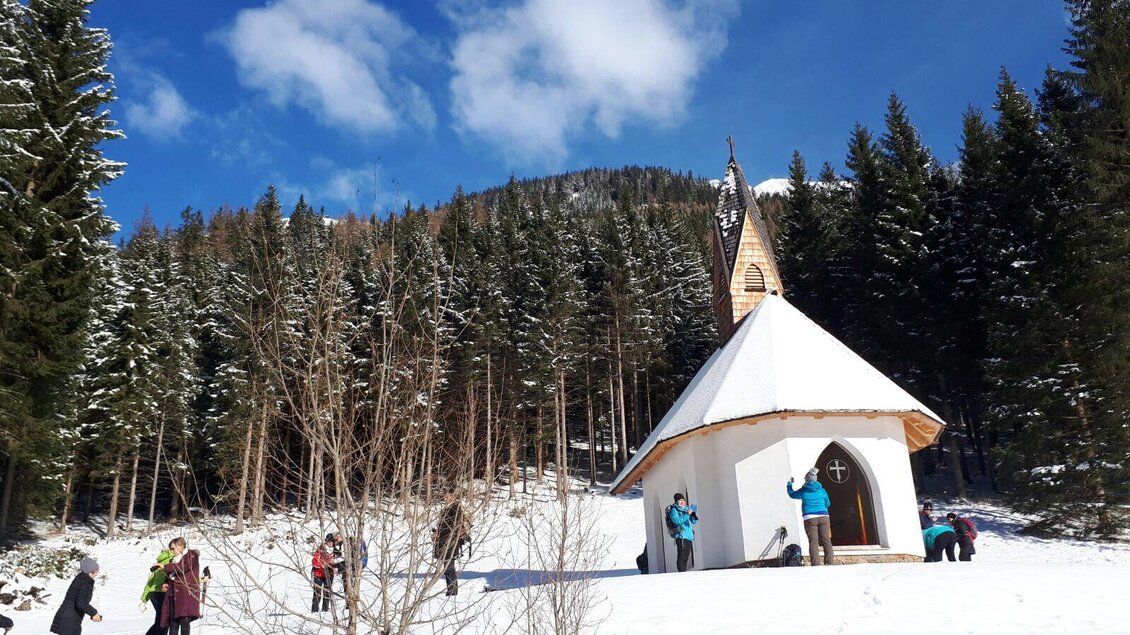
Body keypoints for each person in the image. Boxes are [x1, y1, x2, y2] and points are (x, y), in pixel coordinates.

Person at [155, 537, 206, 635]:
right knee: (173, 624)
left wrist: (164, 567)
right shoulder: (174, 560)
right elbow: (171, 574)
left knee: (184, 622)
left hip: (186, 594)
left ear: (181, 546)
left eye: (173, 548)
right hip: (173, 595)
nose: (171, 551)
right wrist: (165, 583)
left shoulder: (192, 555)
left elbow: (183, 567)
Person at [787, 468, 834, 566]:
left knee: (813, 541)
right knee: (826, 540)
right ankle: (829, 562)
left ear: (807, 480)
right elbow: (828, 504)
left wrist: (789, 485)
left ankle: (816, 563)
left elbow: (792, 494)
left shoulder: (803, 491)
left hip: (809, 518)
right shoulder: (822, 490)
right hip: (824, 516)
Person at [49, 557, 103, 634]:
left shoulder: (82, 579)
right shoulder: (85, 583)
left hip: (68, 619)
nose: (96, 574)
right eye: (96, 571)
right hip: (69, 621)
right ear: (91, 572)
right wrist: (94, 613)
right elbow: (81, 603)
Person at [433, 490, 471, 596]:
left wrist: (443, 533)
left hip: (451, 542)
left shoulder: (455, 508)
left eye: (448, 497)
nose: (445, 499)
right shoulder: (447, 508)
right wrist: (437, 533)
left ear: (453, 497)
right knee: (447, 566)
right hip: (444, 541)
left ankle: (452, 591)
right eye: (444, 497)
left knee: (449, 566)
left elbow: (456, 525)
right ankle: (451, 590)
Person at [141, 544, 174, 635]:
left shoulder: (161, 560)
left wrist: (145, 596)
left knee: (161, 620)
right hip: (161, 593)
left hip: (154, 593)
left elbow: (150, 580)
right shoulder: (171, 561)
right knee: (163, 621)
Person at [667, 493, 698, 572]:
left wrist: (693, 515)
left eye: (683, 500)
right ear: (676, 502)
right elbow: (677, 521)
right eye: (680, 500)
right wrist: (687, 514)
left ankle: (683, 572)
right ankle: (681, 573)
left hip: (689, 536)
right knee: (682, 556)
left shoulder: (687, 510)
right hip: (681, 535)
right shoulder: (674, 510)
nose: (682, 502)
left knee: (686, 556)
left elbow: (694, 522)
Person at [311, 533, 337, 612]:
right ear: (326, 541)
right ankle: (314, 610)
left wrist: (334, 565)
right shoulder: (321, 549)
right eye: (329, 541)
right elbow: (314, 561)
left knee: (327, 592)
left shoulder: (335, 550)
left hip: (329, 575)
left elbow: (338, 561)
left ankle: (325, 610)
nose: (330, 543)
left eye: (332, 541)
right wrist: (322, 565)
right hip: (318, 574)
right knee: (317, 593)